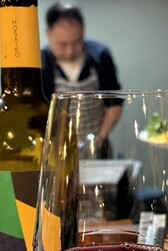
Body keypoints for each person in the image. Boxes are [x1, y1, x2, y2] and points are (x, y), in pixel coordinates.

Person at [41, 1, 123, 154]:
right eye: (63, 44)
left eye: (77, 42)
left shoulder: (100, 55)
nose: (70, 51)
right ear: (48, 34)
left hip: (98, 146)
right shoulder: (41, 63)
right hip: (58, 150)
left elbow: (115, 104)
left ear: (83, 29)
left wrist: (100, 139)